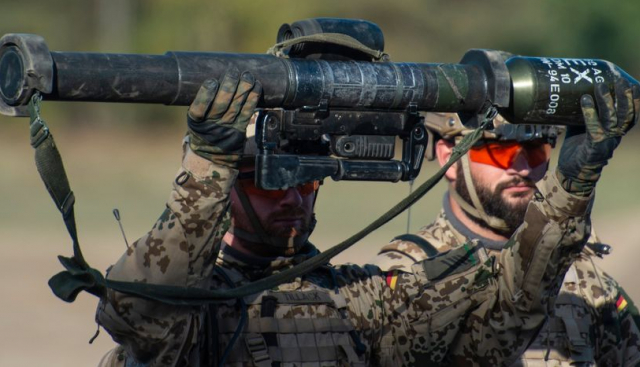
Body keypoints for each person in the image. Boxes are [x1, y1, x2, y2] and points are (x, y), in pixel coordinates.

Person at [96, 69, 602, 366]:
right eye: (270, 180)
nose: (292, 197)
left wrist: (569, 189)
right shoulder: (199, 314)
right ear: (227, 186)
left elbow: (501, 325)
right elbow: (138, 311)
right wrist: (208, 167)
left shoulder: (358, 301)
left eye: (307, 179)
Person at [372, 82, 640, 365]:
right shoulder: (408, 274)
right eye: (499, 150)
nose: (522, 168)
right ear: (449, 159)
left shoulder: (582, 279)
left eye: (535, 149)